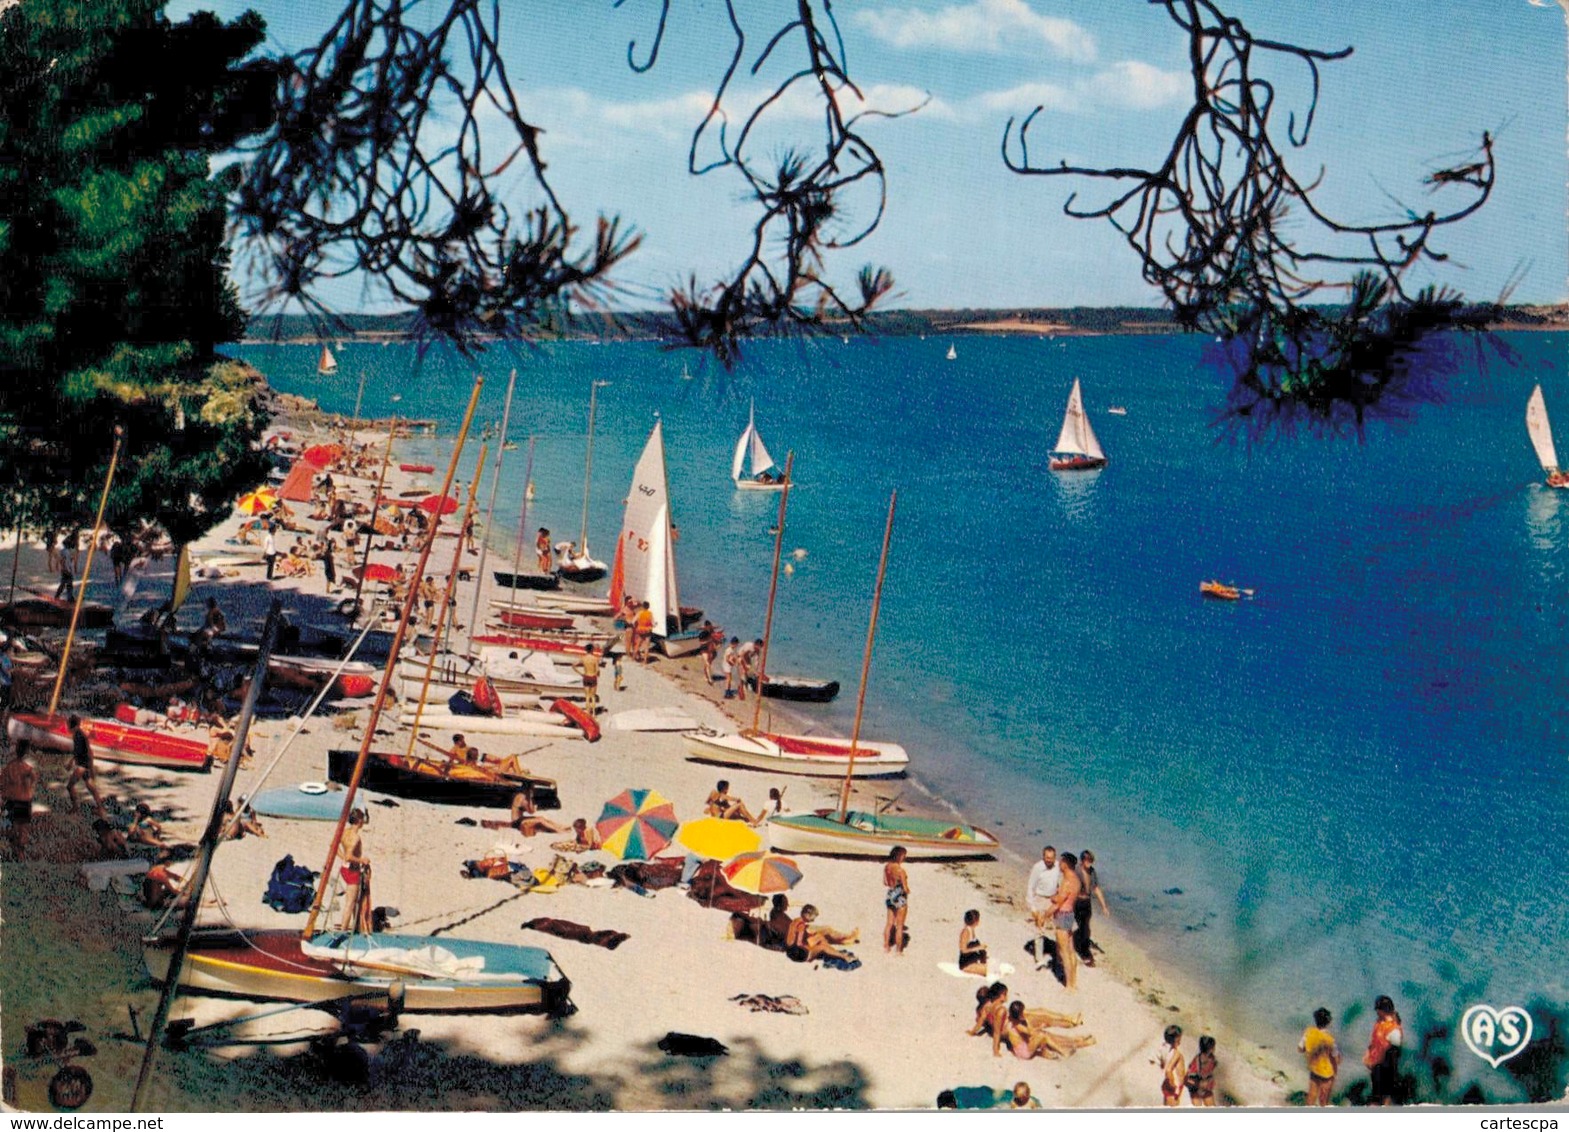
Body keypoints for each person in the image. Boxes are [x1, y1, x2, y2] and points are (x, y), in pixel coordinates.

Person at [1050, 851, 1083, 991]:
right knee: (1071, 950)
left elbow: (1059, 901)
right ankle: (1073, 983)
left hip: (1063, 915)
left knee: (1064, 952)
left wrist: (1047, 911)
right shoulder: (1076, 879)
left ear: (1065, 864)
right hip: (1070, 913)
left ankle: (1069, 985)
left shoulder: (1067, 880)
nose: (1059, 864)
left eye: (1061, 862)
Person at [1363, 995, 1403, 1106]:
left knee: (1382, 1095)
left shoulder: (1392, 1028)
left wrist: (1385, 1064)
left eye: (1378, 1010)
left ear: (1382, 1010)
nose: (1376, 1012)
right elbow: (1373, 1043)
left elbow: (1394, 1050)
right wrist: (1368, 1056)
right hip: (1377, 1064)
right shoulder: (1379, 1024)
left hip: (1385, 1066)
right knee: (1377, 1093)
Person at [785, 905, 859, 963]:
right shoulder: (801, 925)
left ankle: (834, 952)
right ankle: (845, 957)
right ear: (807, 915)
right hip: (798, 955)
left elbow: (793, 940)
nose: (813, 920)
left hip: (790, 951)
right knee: (822, 947)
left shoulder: (795, 921)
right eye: (813, 917)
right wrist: (811, 948)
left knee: (819, 937)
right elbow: (799, 944)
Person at [1073, 848, 1110, 965]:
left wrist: (1104, 906)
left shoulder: (1092, 872)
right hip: (1076, 902)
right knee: (1083, 927)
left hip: (1087, 903)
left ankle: (1079, 942)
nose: (1089, 863)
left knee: (1086, 926)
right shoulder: (1076, 871)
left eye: (1091, 861)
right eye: (1087, 861)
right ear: (1082, 860)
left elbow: (1096, 888)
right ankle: (1085, 954)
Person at [1025, 845, 1059, 970]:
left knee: (1058, 928)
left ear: (1055, 857)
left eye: (1051, 858)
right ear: (1043, 856)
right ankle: (1039, 958)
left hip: (1053, 899)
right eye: (1047, 857)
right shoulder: (1037, 868)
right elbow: (1030, 886)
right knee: (1039, 928)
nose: (1049, 860)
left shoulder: (1058, 867)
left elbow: (1060, 882)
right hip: (1040, 898)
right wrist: (1032, 907)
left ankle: (1058, 956)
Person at [1, 742, 38, 855]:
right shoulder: (27, 767)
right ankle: (20, 851)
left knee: (12, 825)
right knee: (23, 827)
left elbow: (2, 783)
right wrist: (30, 789)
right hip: (24, 799)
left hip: (11, 799)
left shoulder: (9, 767)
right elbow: (34, 778)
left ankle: (14, 848)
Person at [65, 715, 106, 816]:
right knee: (90, 786)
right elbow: (88, 751)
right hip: (85, 763)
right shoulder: (80, 733)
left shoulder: (78, 735)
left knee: (70, 786)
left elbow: (78, 752)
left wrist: (70, 763)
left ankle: (75, 807)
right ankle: (100, 809)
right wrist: (90, 766)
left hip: (82, 765)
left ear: (70, 725)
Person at [1300, 1007, 1340, 1106]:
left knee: (1311, 1095)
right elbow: (1336, 1058)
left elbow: (1300, 1048)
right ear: (1329, 1022)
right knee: (1323, 1099)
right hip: (1326, 1073)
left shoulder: (1309, 1032)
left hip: (1313, 1068)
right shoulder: (1330, 1040)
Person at [883, 845, 909, 955]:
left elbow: (885, 882)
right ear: (899, 856)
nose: (904, 857)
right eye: (903, 855)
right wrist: (907, 891)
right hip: (900, 897)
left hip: (890, 894)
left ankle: (886, 946)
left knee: (889, 924)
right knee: (899, 926)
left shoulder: (887, 867)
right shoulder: (900, 870)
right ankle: (898, 950)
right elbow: (905, 888)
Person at [1185, 1035, 1218, 1106]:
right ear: (1210, 1049)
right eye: (1213, 1047)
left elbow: (1211, 1071)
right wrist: (1199, 1084)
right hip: (1195, 1089)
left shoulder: (1212, 1059)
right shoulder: (1195, 1063)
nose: (1214, 1049)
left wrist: (1210, 1081)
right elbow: (1186, 1080)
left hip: (1206, 1089)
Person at [1157, 1025, 1186, 1107]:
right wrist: (1173, 1083)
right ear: (1177, 1039)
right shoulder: (1177, 1053)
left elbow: (1163, 1066)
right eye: (1180, 1037)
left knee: (1167, 1107)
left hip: (1168, 1084)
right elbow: (1168, 1070)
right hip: (1172, 1086)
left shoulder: (1168, 1052)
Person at [958, 908, 988, 974]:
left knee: (992, 968)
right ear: (976, 921)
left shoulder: (971, 929)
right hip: (966, 963)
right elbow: (963, 950)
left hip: (973, 960)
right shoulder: (966, 932)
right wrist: (978, 948)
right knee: (988, 971)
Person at [574, 643, 601, 715]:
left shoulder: (583, 658)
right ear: (592, 649)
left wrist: (581, 673)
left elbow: (574, 665)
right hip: (593, 677)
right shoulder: (595, 659)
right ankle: (594, 713)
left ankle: (588, 713)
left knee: (587, 697)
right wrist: (598, 674)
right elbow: (597, 670)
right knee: (593, 696)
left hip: (586, 676)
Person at [0, 636, 14, 735]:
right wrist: (17, 671)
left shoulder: (1, 657)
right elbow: (8, 672)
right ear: (8, 650)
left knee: (4, 705)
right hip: (5, 684)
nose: (13, 652)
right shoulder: (5, 659)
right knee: (5, 706)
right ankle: (3, 726)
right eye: (12, 650)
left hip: (3, 684)